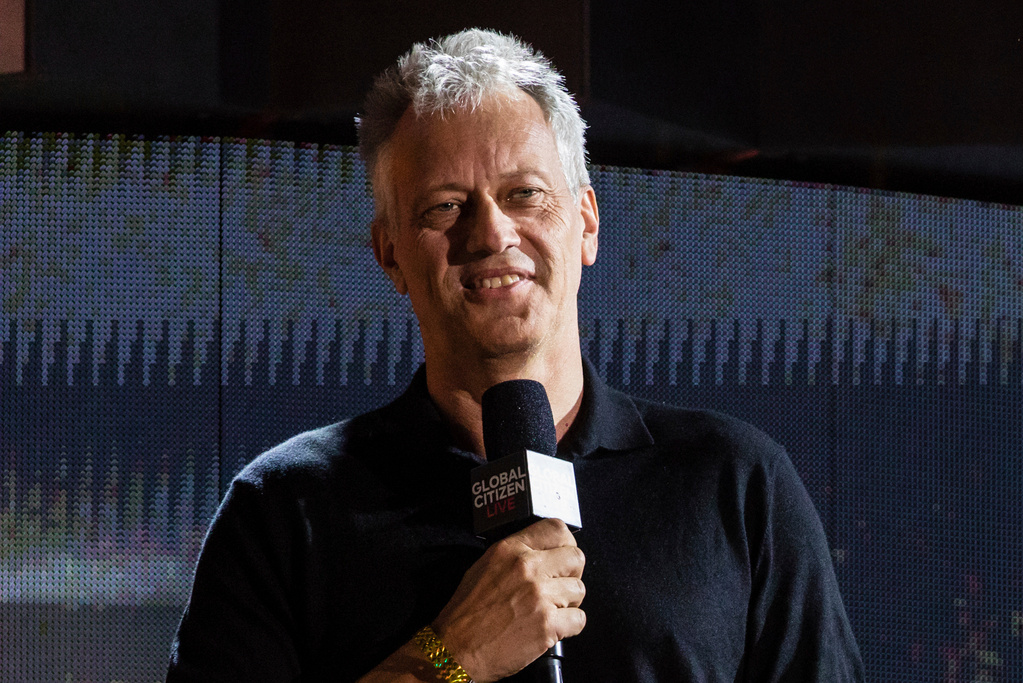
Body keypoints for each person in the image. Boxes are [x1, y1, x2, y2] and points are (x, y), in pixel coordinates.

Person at [167, 28, 864, 682]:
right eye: (445, 206)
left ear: (586, 222)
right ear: (390, 253)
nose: (492, 231)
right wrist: (453, 655)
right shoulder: (284, 510)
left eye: (524, 195)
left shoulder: (737, 486)